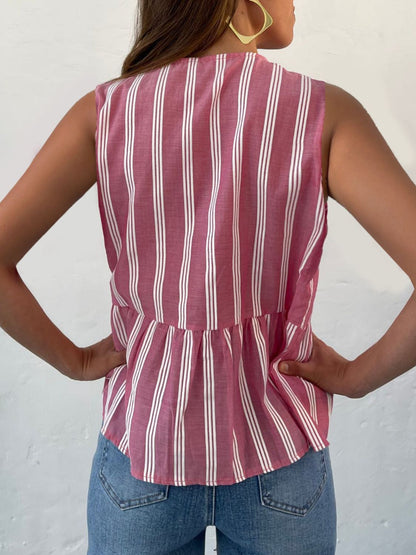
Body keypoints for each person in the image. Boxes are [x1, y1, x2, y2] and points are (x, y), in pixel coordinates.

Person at [0, 0, 415, 553]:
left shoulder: (106, 112)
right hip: (279, 455)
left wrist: (73, 361)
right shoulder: (321, 111)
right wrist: (357, 377)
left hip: (145, 450)